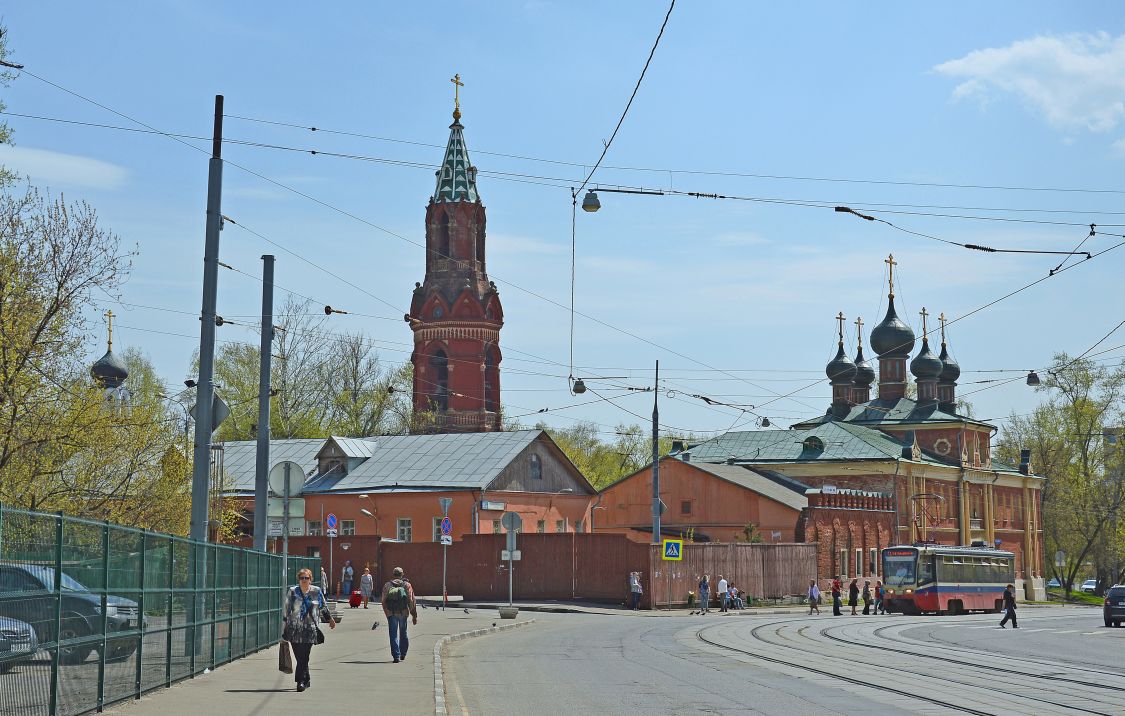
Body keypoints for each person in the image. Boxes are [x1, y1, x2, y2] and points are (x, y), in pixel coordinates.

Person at [282, 567, 335, 692]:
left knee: (304, 656)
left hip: (309, 629)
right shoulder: (292, 591)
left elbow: (323, 607)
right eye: (302, 578)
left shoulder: (316, 591)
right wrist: (283, 630)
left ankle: (300, 681)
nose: (304, 580)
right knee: (299, 656)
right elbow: (285, 611)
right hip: (294, 629)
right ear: (298, 579)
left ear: (310, 579)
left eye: (306, 578)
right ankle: (306, 678)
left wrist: (330, 619)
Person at [381, 566, 418, 662]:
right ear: (402, 574)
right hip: (403, 612)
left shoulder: (387, 585)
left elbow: (383, 601)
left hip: (391, 613)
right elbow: (411, 600)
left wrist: (387, 613)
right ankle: (403, 654)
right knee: (403, 632)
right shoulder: (407, 585)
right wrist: (414, 615)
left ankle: (396, 656)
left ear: (393, 574)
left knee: (393, 634)